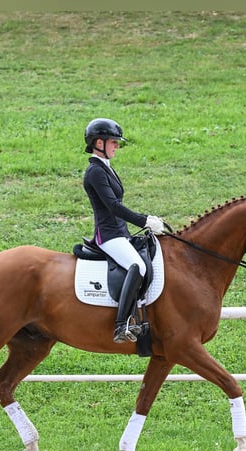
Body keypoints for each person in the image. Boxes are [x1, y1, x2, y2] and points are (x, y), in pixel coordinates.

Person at [82, 118, 166, 343]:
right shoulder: (95, 172)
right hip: (108, 235)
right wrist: (144, 220)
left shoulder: (105, 168)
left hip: (120, 232)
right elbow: (113, 207)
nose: (117, 146)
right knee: (136, 266)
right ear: (99, 142)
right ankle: (122, 324)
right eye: (113, 142)